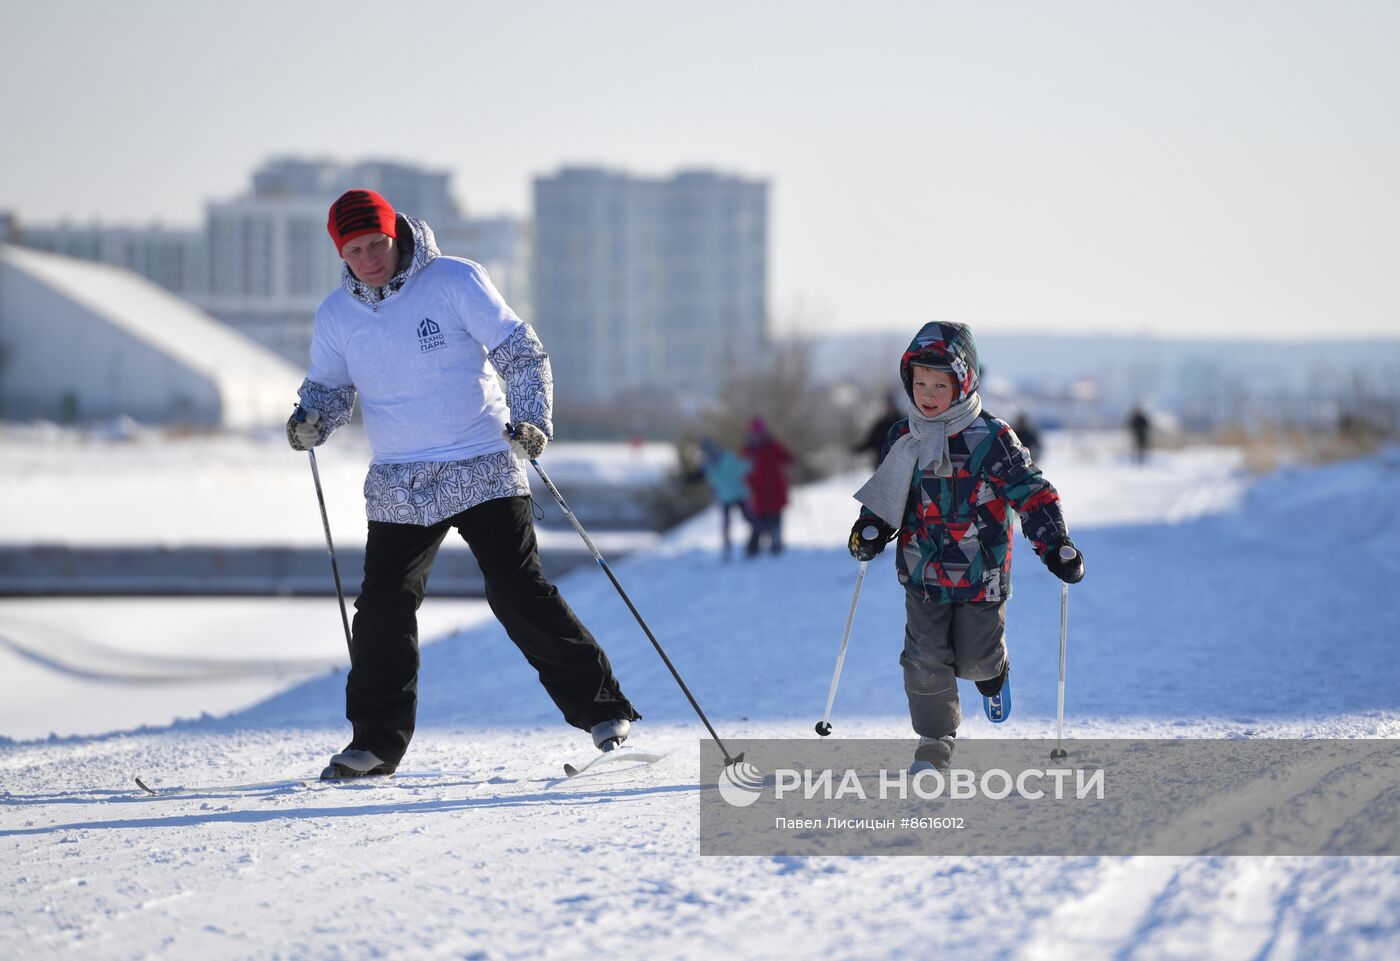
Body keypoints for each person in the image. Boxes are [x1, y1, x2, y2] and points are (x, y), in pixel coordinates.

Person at [287, 189, 639, 780]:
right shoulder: (336, 316)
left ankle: (604, 712)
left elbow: (520, 352)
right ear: (339, 252)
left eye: (378, 243)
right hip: (401, 481)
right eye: (355, 249)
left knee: (516, 590)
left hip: (482, 465)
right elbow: (328, 387)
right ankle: (374, 744)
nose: (371, 257)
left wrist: (534, 420)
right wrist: (311, 419)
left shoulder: (454, 280)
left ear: (395, 234)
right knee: (381, 609)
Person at [848, 322, 1084, 774]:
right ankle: (935, 742)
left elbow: (1031, 494)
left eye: (941, 384)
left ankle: (994, 675)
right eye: (920, 383)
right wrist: (872, 529)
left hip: (981, 574)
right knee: (924, 660)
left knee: (975, 660)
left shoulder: (992, 439)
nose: (929, 394)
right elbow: (887, 494)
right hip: (922, 574)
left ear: (965, 383)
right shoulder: (904, 437)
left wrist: (1055, 544)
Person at [742, 417, 793, 556]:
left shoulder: (773, 445)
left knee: (776, 517)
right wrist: (746, 483)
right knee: (759, 519)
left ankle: (776, 544)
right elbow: (743, 469)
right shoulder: (748, 450)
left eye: (759, 432)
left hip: (775, 488)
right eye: (754, 433)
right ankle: (753, 548)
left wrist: (792, 460)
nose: (757, 435)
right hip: (759, 491)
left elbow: (785, 457)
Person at [697, 437, 751, 560]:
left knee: (739, 521)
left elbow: (743, 468)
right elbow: (744, 468)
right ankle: (735, 547)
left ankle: (746, 545)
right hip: (730, 496)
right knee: (740, 521)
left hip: (734, 495)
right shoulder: (712, 463)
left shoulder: (713, 462)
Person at [854, 393, 904, 470]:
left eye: (892, 404)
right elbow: (871, 441)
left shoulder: (904, 422)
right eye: (889, 404)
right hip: (882, 466)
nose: (890, 407)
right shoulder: (881, 424)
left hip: (902, 465)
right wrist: (859, 449)